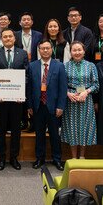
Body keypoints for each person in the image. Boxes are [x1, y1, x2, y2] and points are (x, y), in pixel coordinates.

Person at [0, 28, 28, 170]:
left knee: (16, 130)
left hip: (17, 99)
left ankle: (14, 157)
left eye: (9, 36)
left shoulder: (22, 53)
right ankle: (1, 158)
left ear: (14, 38)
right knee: (0, 129)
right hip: (0, 99)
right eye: (4, 37)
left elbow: (26, 75)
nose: (7, 39)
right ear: (1, 39)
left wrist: (20, 93)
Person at [27, 40, 67, 171]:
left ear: (52, 50)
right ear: (39, 50)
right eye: (42, 48)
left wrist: (61, 106)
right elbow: (29, 88)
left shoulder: (59, 66)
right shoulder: (32, 66)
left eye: (47, 48)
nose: (45, 50)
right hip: (38, 106)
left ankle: (57, 159)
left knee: (55, 135)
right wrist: (30, 106)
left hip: (54, 107)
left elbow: (62, 88)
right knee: (39, 135)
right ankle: (39, 158)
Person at [62, 41, 99, 159]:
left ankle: (82, 156)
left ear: (84, 52)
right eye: (74, 50)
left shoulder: (91, 65)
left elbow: (96, 85)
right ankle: (73, 157)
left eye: (79, 50)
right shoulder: (65, 66)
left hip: (86, 100)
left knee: (84, 127)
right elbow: (60, 85)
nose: (77, 52)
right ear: (70, 52)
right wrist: (67, 93)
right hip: (70, 100)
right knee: (72, 127)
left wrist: (86, 92)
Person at [15, 12, 43, 131]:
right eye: (24, 19)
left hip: (34, 65)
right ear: (20, 22)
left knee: (32, 92)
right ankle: (23, 121)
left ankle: (33, 121)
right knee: (21, 93)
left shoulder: (39, 35)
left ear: (32, 22)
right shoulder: (15, 35)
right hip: (20, 67)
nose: (26, 21)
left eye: (28, 19)